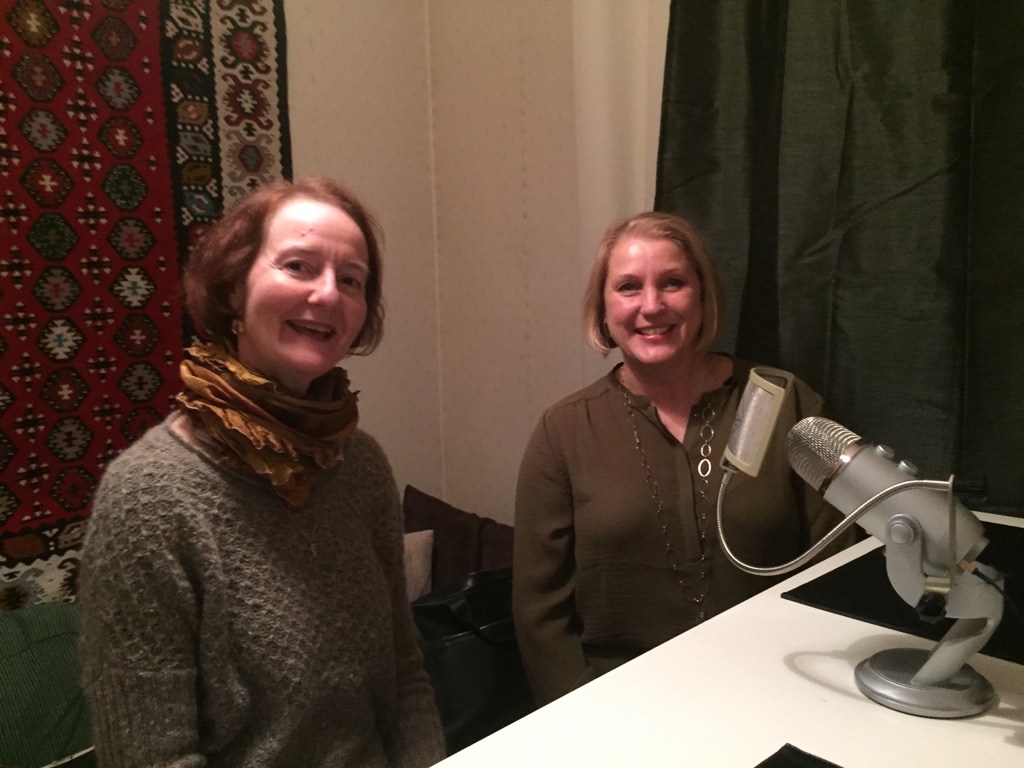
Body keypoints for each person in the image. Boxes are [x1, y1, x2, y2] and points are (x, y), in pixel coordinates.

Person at [78, 177, 446, 767]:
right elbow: (153, 758)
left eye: (351, 279)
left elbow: (403, 676)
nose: (327, 294)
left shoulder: (361, 464)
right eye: (299, 266)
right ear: (232, 289)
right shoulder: (148, 497)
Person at [512, 212, 853, 706]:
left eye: (673, 282)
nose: (652, 305)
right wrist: (585, 719)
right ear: (603, 309)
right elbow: (540, 615)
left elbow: (837, 564)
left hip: (778, 692)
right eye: (629, 287)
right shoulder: (563, 431)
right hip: (619, 708)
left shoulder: (784, 403)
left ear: (703, 296)